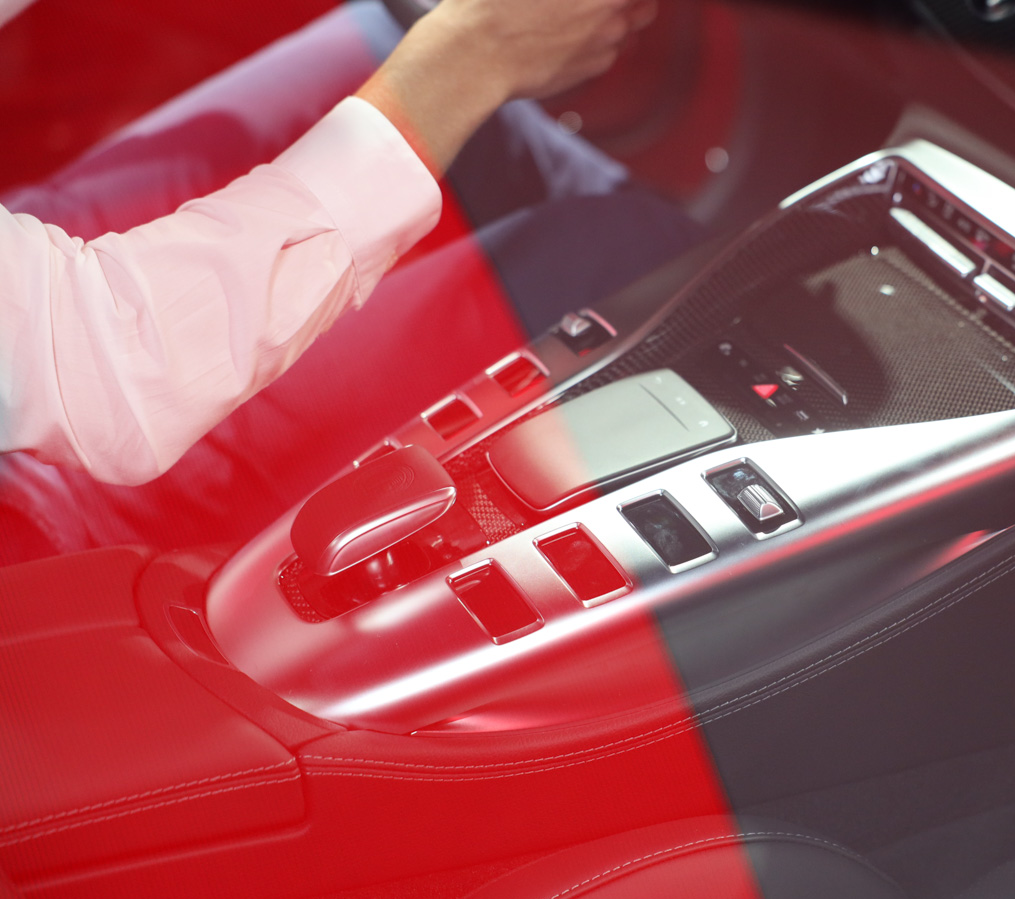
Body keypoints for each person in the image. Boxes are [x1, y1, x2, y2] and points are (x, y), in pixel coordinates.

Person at [0, 0, 702, 564]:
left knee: (388, 32)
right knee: (622, 248)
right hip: (38, 500)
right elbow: (110, 369)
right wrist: (474, 58)